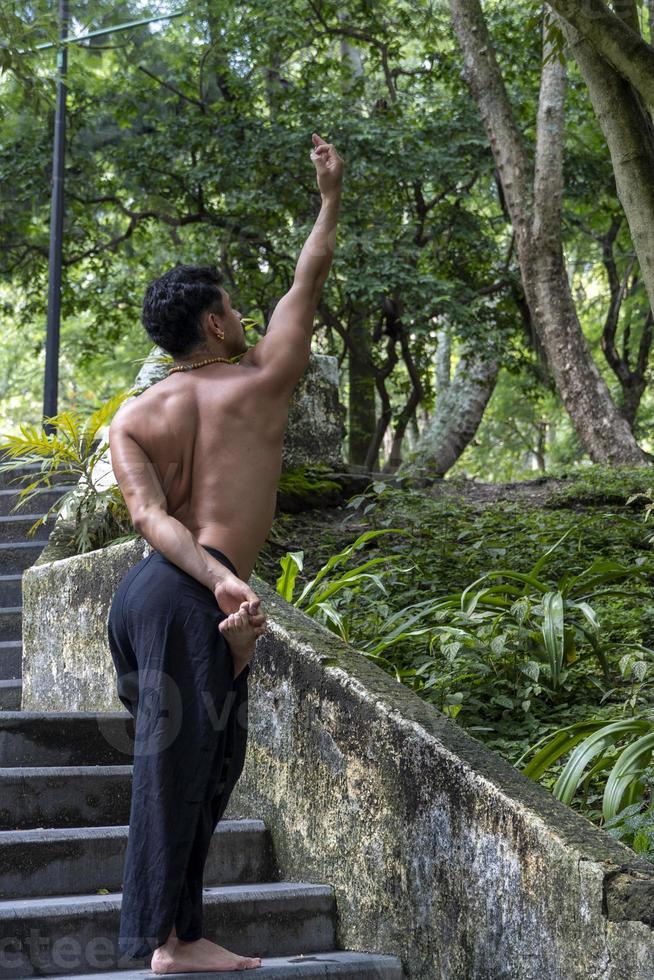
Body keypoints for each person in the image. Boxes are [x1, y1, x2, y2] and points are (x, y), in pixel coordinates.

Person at [106, 131, 344, 973]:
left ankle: (183, 935)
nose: (246, 317)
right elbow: (306, 280)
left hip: (144, 598)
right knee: (177, 769)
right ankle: (168, 947)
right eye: (235, 308)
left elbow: (146, 517)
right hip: (191, 593)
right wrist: (327, 198)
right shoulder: (262, 379)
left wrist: (214, 592)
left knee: (205, 756)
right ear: (214, 321)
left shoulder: (132, 417)